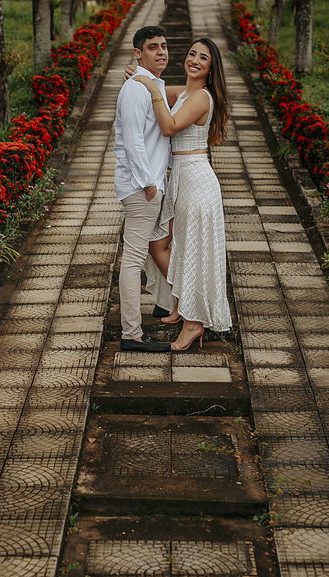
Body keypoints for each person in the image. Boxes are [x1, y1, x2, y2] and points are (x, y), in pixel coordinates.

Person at [130, 37, 232, 351]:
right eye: (191, 54)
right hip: (181, 178)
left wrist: (150, 88)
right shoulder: (186, 92)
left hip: (196, 179)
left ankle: (193, 323)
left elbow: (170, 126)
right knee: (158, 243)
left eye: (203, 58)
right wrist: (141, 75)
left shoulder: (201, 97)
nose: (195, 60)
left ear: (211, 69)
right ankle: (182, 303)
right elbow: (162, 89)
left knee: (190, 251)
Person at [113, 25, 176, 352]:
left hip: (148, 183)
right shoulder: (137, 89)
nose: (161, 52)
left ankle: (165, 306)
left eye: (164, 46)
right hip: (142, 187)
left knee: (143, 253)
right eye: (153, 47)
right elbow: (132, 141)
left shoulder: (151, 85)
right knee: (133, 259)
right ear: (138, 53)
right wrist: (148, 183)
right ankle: (132, 334)